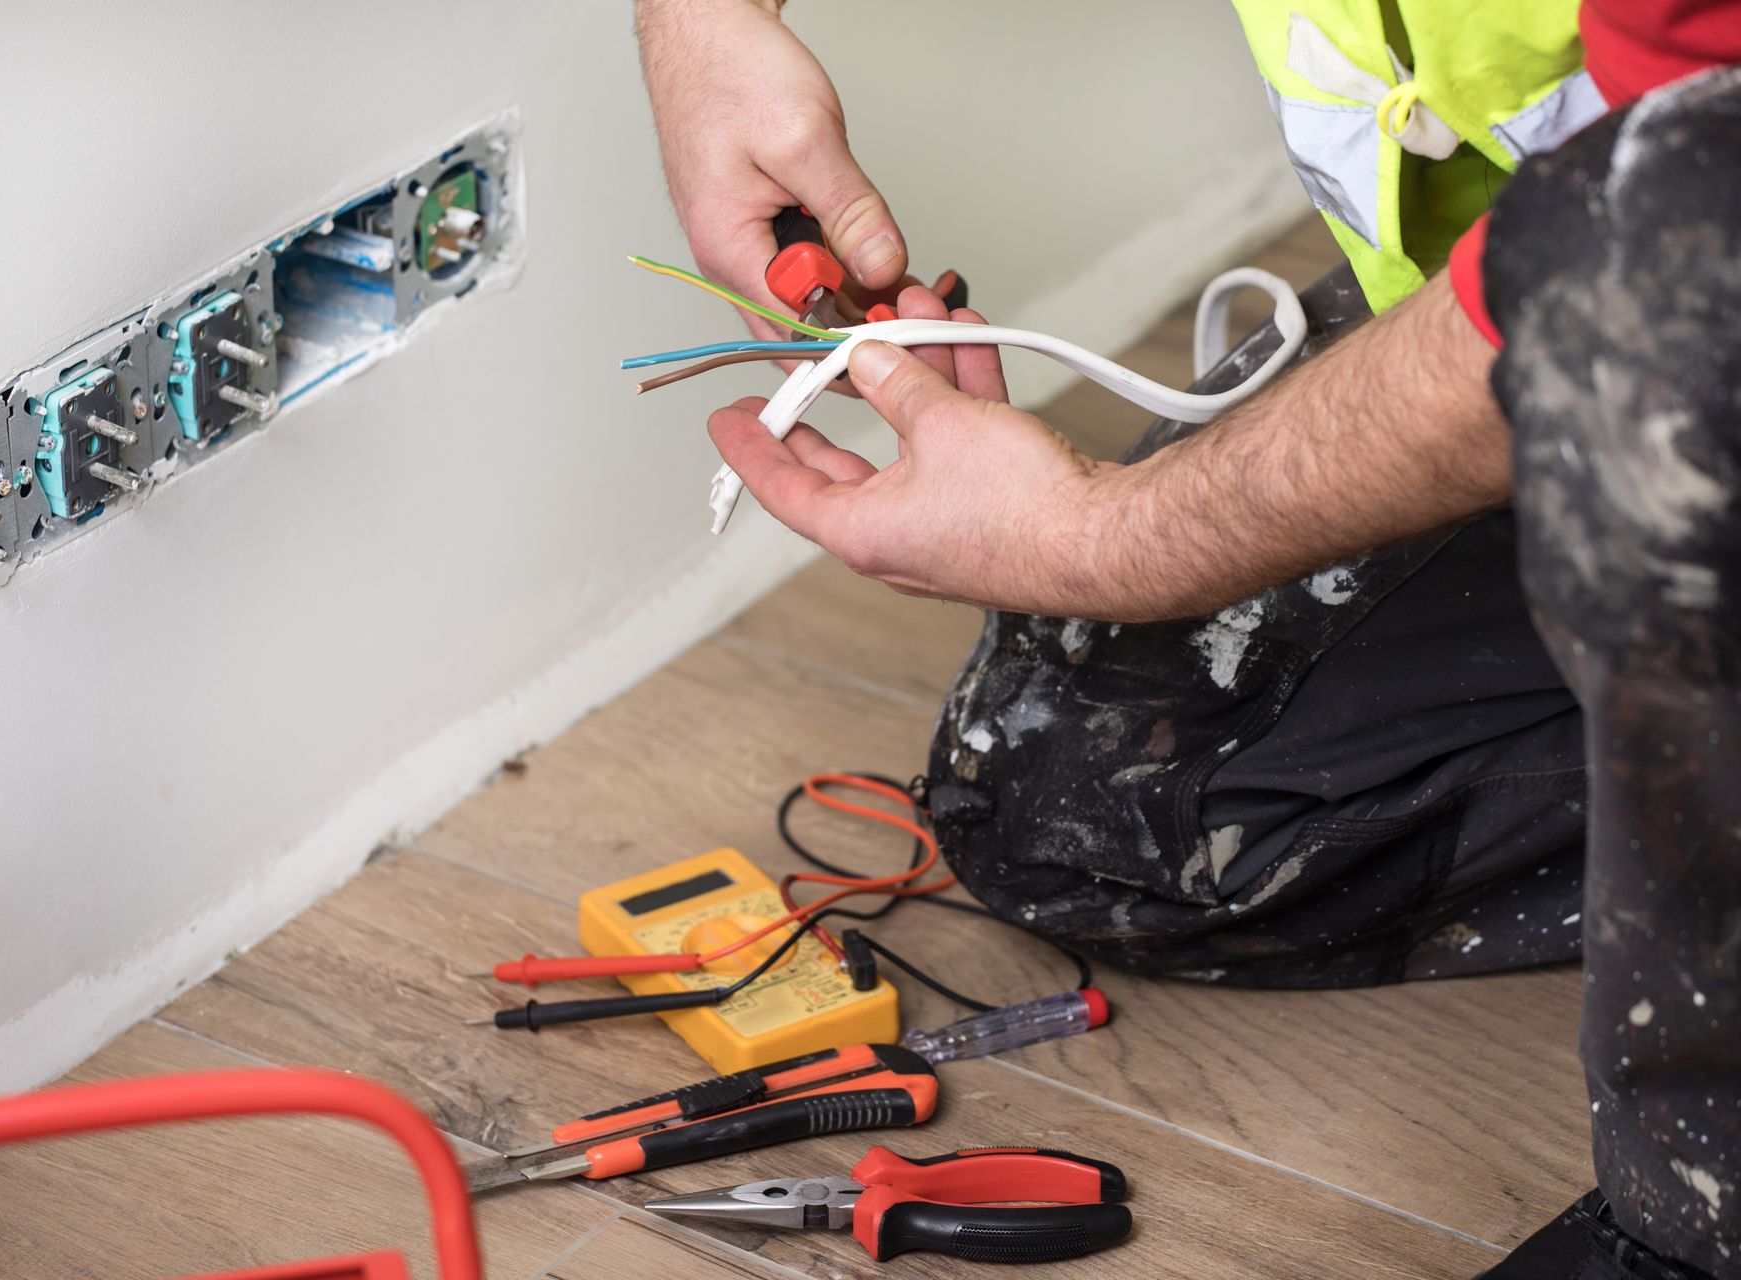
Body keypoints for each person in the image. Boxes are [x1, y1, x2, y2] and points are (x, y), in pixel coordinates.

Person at [634, 2, 1741, 1276]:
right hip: (1555, 332)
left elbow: (1676, 258)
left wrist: (1098, 537)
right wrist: (702, 24)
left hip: (1681, 312)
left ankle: (1696, 1229)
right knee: (1084, 801)